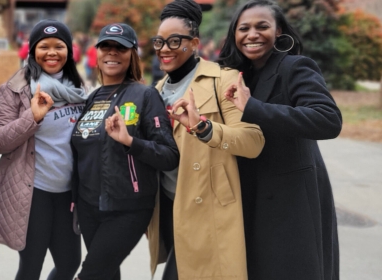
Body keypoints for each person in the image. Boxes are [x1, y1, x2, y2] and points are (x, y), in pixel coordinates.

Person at [217, 1, 342, 279]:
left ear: (279, 31)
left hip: (291, 201)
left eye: (263, 26)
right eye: (244, 28)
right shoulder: (237, 76)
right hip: (248, 196)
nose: (252, 35)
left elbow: (328, 119)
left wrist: (254, 108)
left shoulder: (295, 67)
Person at [147, 0, 266, 279]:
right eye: (159, 42)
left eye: (175, 41)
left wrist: (204, 128)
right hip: (167, 202)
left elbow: (253, 141)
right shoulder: (155, 90)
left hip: (208, 205)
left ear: (195, 43)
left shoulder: (222, 80)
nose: (164, 49)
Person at [71, 22, 180, 280]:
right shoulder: (93, 97)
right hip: (88, 207)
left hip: (127, 209)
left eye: (120, 48)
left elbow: (169, 155)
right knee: (107, 274)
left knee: (91, 274)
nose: (112, 52)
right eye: (106, 46)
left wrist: (131, 141)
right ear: (96, 53)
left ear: (132, 54)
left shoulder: (145, 95)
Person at [0, 19, 86, 280]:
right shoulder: (15, 89)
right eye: (44, 46)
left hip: (68, 192)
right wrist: (32, 117)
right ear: (33, 51)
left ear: (69, 51)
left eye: (59, 46)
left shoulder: (79, 88)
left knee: (69, 263)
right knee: (31, 266)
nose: (52, 53)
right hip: (33, 193)